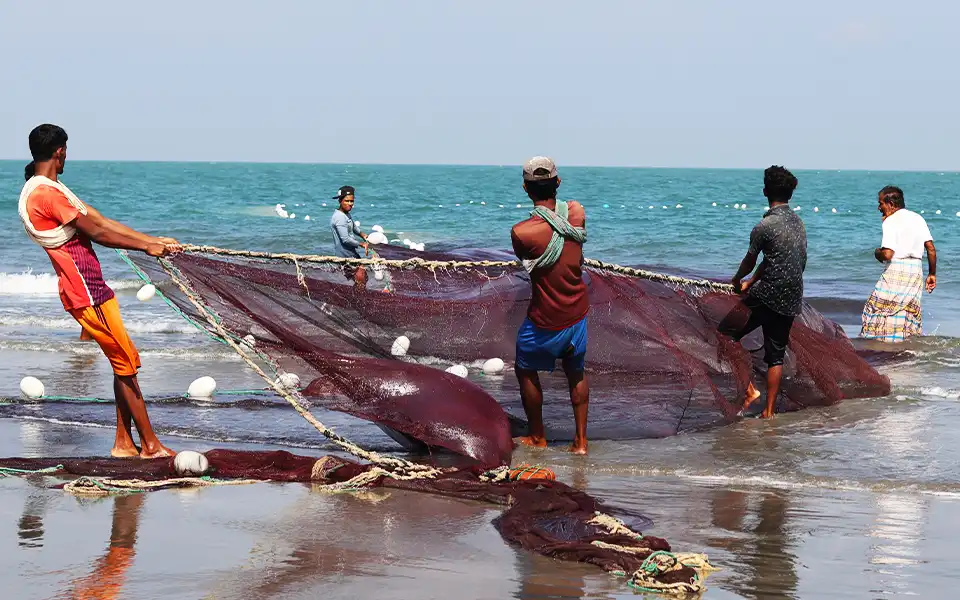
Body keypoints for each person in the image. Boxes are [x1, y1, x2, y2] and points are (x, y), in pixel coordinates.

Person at [19, 124, 179, 458]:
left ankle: (124, 443)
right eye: (66, 151)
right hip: (84, 293)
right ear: (60, 151)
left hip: (96, 290)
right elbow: (99, 233)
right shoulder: (45, 194)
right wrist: (146, 247)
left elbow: (102, 222)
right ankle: (150, 446)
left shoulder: (53, 189)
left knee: (124, 362)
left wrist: (151, 241)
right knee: (126, 363)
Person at [510, 157, 589, 454]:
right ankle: (581, 443)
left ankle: (538, 436)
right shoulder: (577, 213)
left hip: (546, 318)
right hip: (578, 312)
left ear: (525, 189)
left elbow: (530, 261)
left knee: (524, 368)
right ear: (558, 182)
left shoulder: (522, 232)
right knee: (576, 371)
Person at [718, 166, 807, 419]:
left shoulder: (764, 226)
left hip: (766, 295)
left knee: (724, 336)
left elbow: (750, 260)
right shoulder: (799, 223)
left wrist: (738, 279)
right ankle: (768, 412)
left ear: (765, 191)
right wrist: (751, 281)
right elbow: (780, 260)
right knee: (775, 356)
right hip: (791, 296)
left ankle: (749, 392)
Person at [860, 186, 937, 342]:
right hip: (915, 271)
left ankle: (879, 348)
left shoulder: (891, 221)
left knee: (876, 309)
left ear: (891, 204)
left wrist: (877, 253)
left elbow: (888, 254)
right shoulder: (918, 218)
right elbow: (931, 249)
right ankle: (904, 348)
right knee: (907, 314)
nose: (879, 207)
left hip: (897, 270)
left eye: (881, 203)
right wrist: (932, 274)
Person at [329, 185, 369, 289]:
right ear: (340, 201)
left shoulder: (345, 214)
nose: (350, 204)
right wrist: (361, 244)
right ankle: (355, 302)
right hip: (345, 256)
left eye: (352, 201)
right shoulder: (339, 217)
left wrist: (362, 234)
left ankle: (353, 300)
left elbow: (353, 226)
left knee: (363, 279)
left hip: (351, 254)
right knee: (361, 280)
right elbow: (345, 239)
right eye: (347, 201)